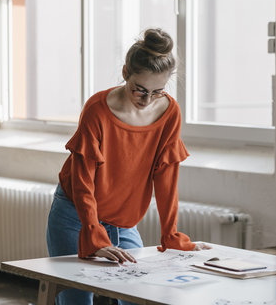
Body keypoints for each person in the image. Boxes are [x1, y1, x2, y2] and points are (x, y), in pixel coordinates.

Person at [46, 28, 210, 305]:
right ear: (125, 72)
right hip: (76, 215)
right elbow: (83, 181)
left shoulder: (170, 112)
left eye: (157, 92)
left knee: (139, 295)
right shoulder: (97, 109)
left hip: (123, 223)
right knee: (76, 299)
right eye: (140, 90)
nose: (146, 100)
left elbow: (167, 177)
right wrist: (94, 237)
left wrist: (170, 236)